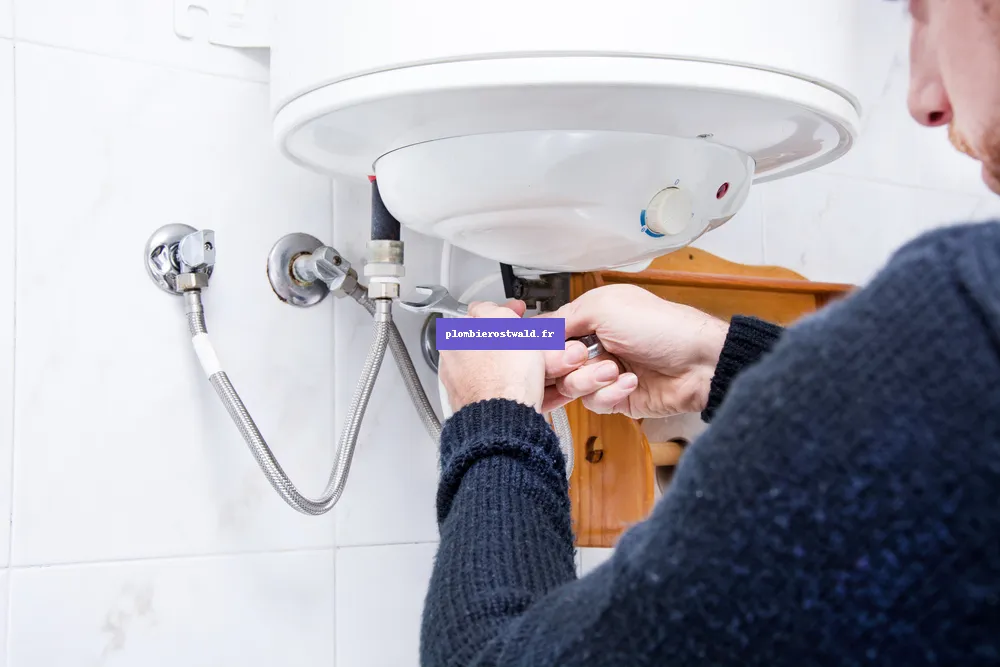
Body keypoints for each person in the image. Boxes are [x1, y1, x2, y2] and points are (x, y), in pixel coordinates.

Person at [421, 0, 1000, 664]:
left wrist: (493, 415)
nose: (923, 98)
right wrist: (716, 360)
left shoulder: (964, 308)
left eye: (926, 14)